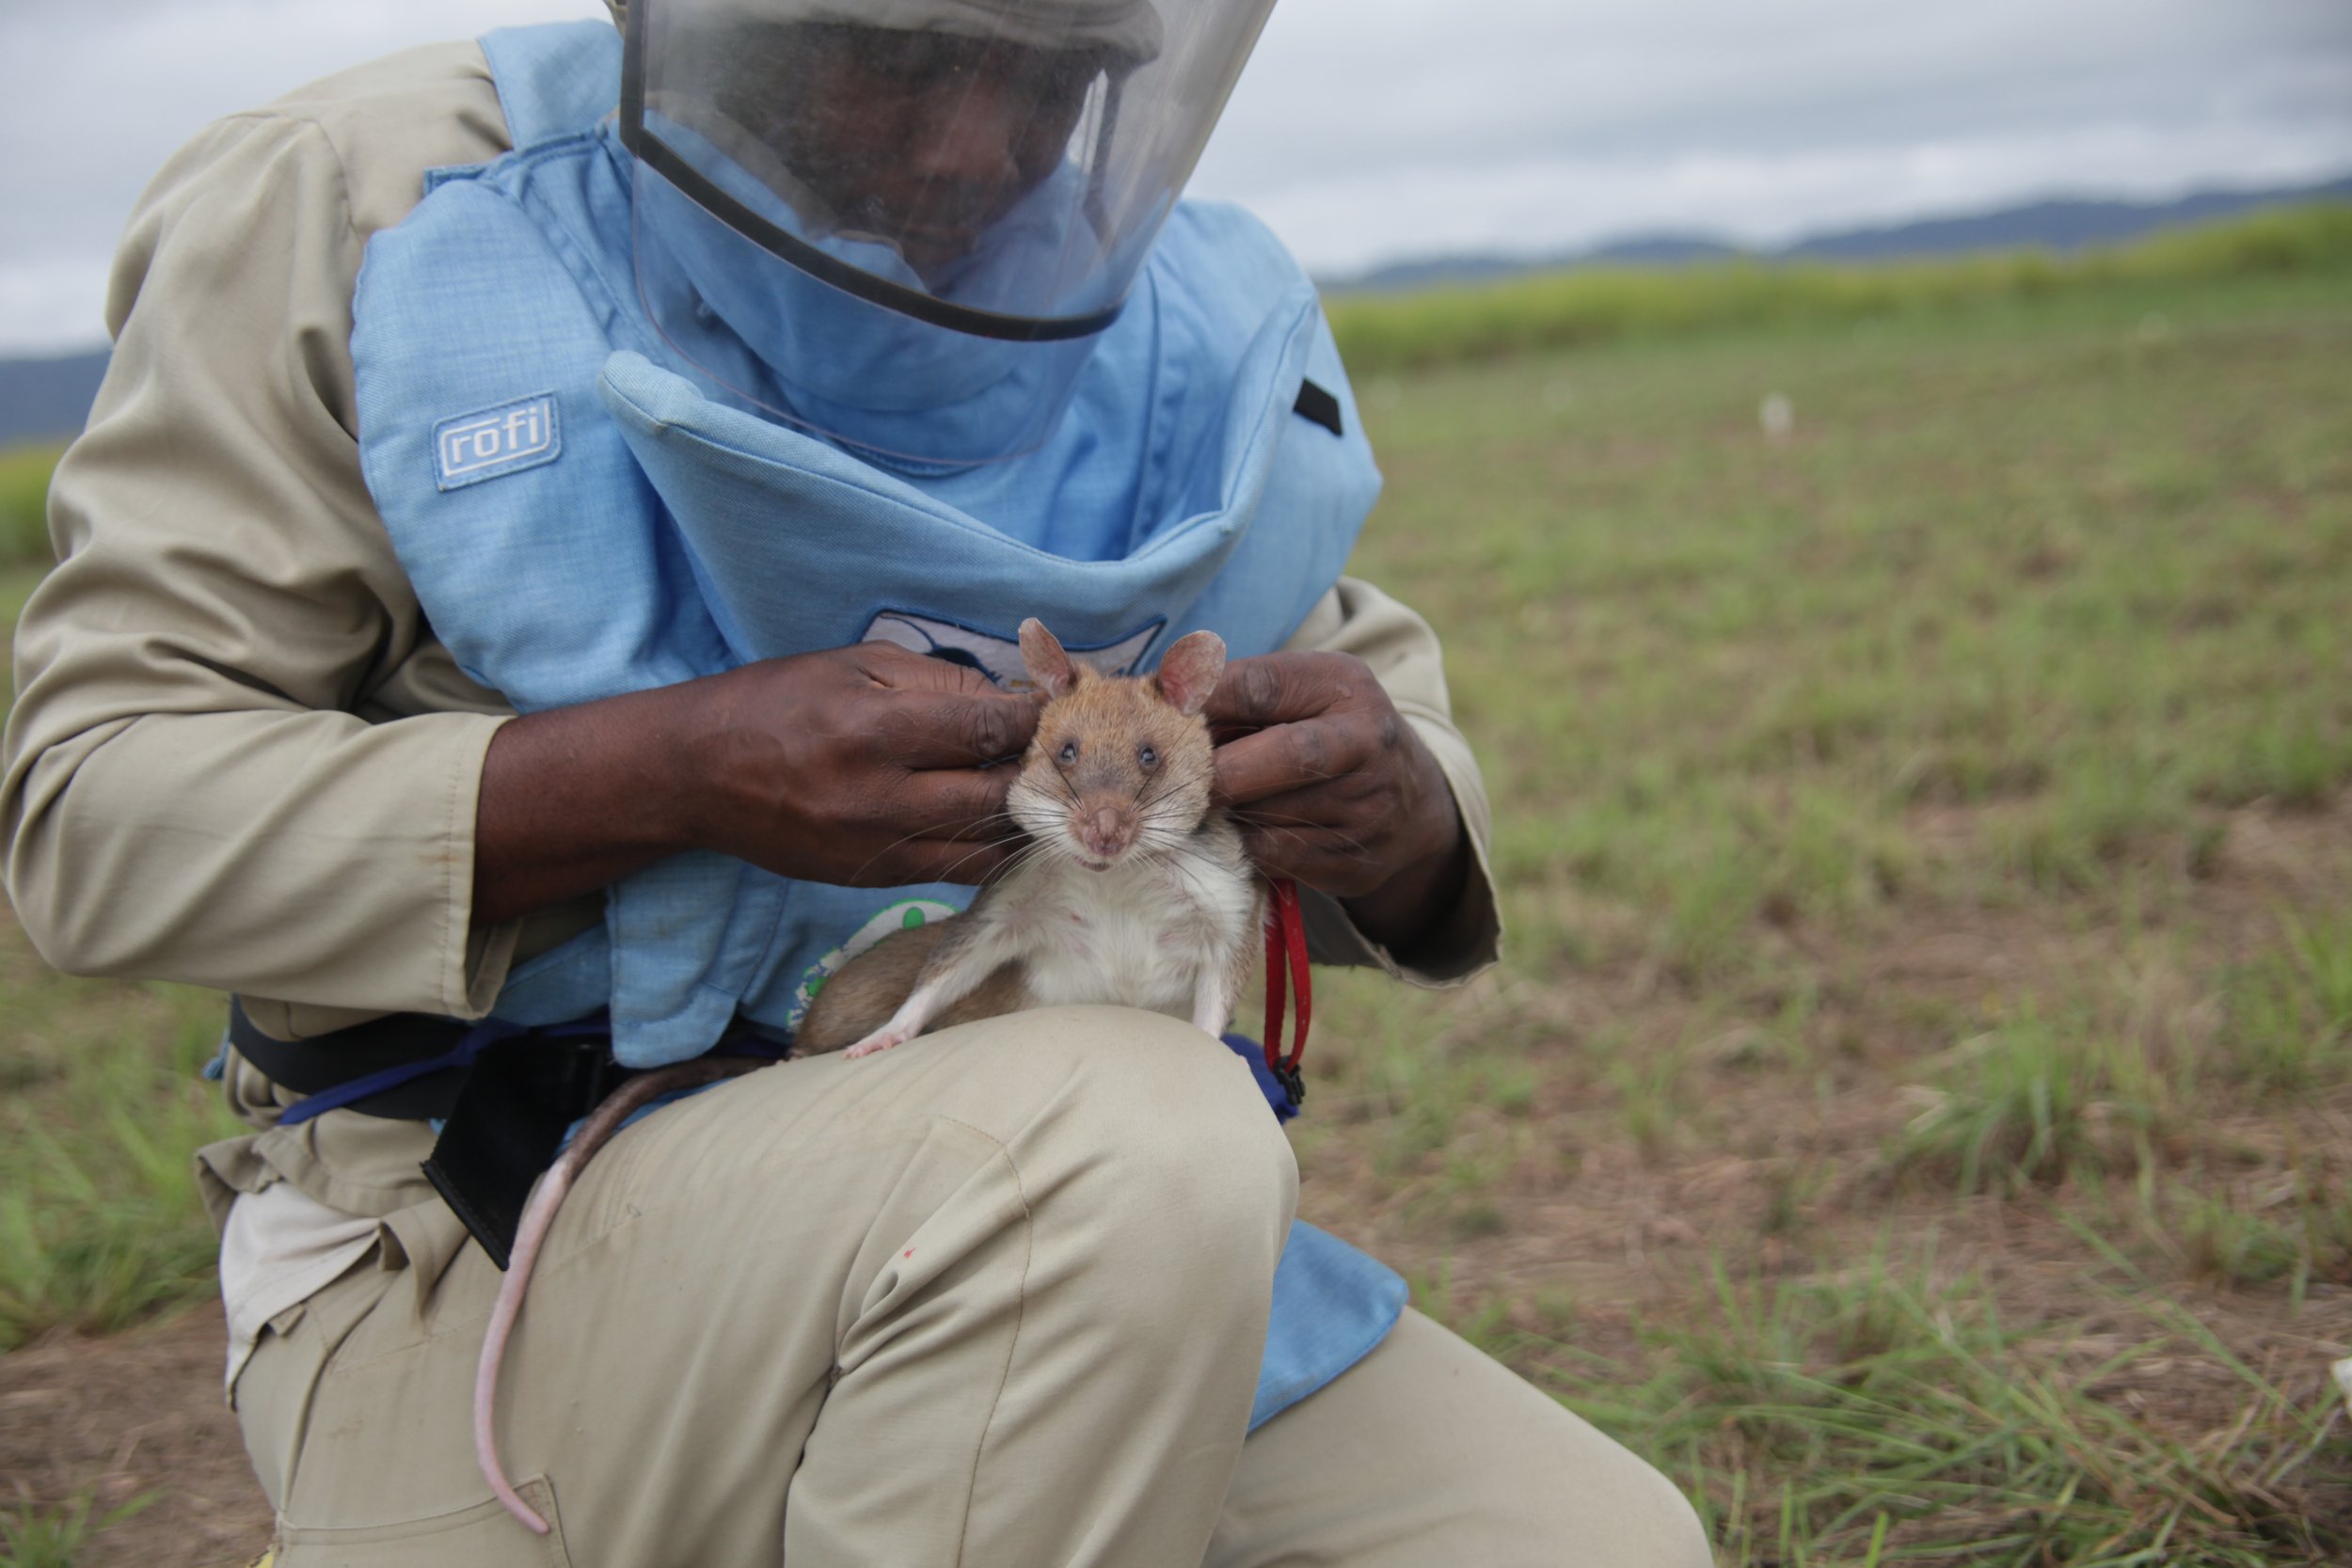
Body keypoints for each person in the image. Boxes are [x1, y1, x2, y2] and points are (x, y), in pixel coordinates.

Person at [2, 2, 1713, 1563]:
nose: (978, 147)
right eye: (891, 50)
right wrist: (667, 776)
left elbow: (1367, 691)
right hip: (497, 1219)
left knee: (1594, 1543)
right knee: (1130, 1137)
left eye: (1063, 78)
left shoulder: (1183, 311)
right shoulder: (351, 205)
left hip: (1068, 1244)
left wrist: (1399, 817)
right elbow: (92, 813)